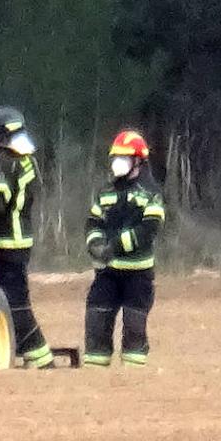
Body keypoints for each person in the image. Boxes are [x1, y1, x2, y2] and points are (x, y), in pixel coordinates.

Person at [0, 106, 54, 369]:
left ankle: (41, 360)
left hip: (7, 243)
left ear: (3, 137)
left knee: (15, 304)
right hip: (18, 243)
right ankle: (29, 355)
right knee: (12, 299)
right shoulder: (25, 162)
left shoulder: (6, 165)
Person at [83, 130, 165, 368]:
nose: (117, 162)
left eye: (124, 157)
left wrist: (114, 247)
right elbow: (93, 222)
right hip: (107, 274)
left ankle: (133, 384)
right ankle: (94, 375)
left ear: (138, 161)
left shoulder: (152, 194)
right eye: (115, 157)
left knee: (134, 329)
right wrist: (95, 245)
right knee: (96, 321)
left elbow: (148, 230)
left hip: (138, 275)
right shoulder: (106, 192)